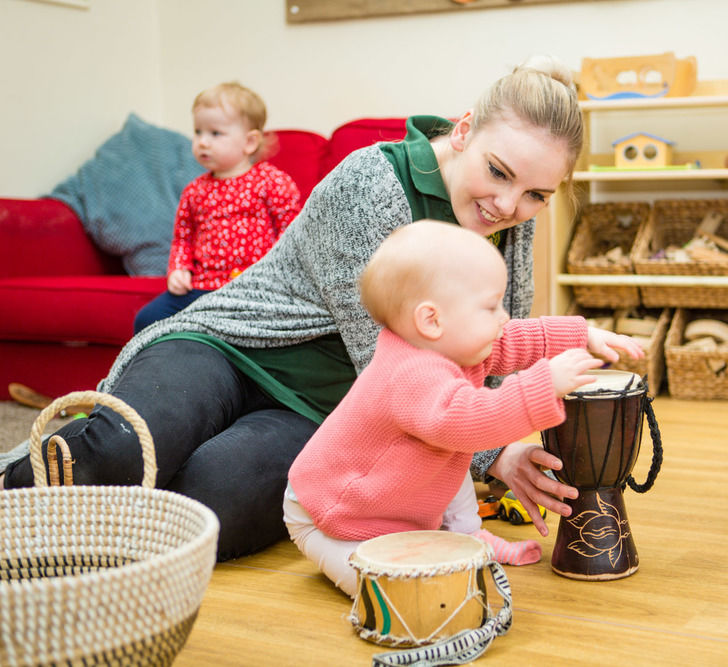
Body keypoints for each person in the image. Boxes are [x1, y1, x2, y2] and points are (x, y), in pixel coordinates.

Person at [0, 56, 591, 562]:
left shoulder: (510, 229)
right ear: (464, 131)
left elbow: (491, 347)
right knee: (123, 448)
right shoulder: (372, 182)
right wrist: (492, 450)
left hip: (322, 413)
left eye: (536, 194)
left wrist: (510, 440)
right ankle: (18, 486)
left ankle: (90, 533)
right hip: (231, 349)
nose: (510, 204)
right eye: (499, 172)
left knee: (212, 508)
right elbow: (386, 362)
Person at [284, 221, 643, 595]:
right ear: (432, 320)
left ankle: (469, 537)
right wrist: (543, 385)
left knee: (449, 454)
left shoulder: (455, 346)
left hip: (388, 494)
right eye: (490, 307)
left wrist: (582, 334)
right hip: (329, 515)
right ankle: (417, 561)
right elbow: (471, 420)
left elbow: (516, 338)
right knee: (388, 586)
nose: (503, 317)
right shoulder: (410, 374)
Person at [133, 82, 302, 333]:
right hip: (201, 288)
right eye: (198, 132)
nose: (202, 142)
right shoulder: (194, 190)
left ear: (249, 142)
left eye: (215, 133)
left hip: (253, 288)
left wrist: (279, 280)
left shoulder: (272, 182)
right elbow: (183, 238)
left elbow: (292, 233)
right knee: (147, 319)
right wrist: (178, 269)